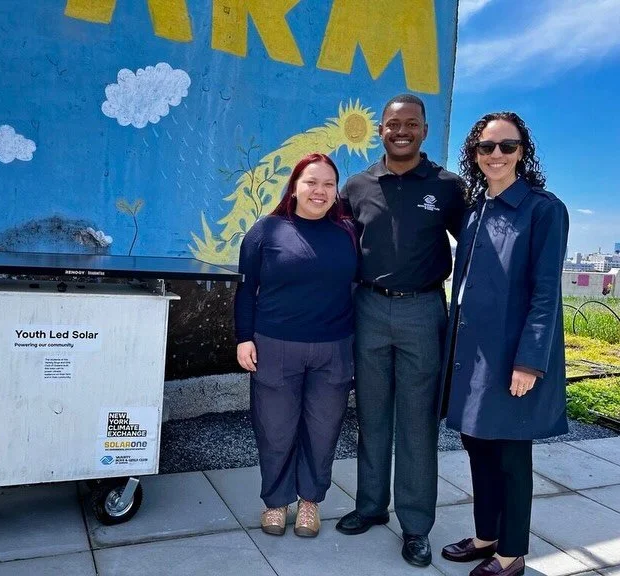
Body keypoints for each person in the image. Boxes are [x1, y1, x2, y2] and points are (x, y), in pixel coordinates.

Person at [335, 94, 466, 567]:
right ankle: (371, 506)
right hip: (368, 307)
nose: (402, 131)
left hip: (423, 311)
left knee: (416, 423)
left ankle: (415, 526)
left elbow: (478, 245)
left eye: (412, 124)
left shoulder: (448, 187)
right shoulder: (357, 186)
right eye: (394, 124)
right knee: (371, 416)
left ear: (424, 131)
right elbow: (334, 242)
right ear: (381, 130)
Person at [440, 112, 569, 576]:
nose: (496, 154)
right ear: (474, 154)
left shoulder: (543, 209)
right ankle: (486, 535)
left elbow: (546, 292)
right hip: (471, 354)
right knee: (477, 445)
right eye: (486, 147)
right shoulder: (476, 210)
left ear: (521, 152)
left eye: (506, 146)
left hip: (513, 356)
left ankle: (512, 552)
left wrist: (529, 361)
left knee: (511, 454)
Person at [234, 153, 358, 538]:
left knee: (323, 431)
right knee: (275, 429)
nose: (319, 191)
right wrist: (243, 338)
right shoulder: (266, 231)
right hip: (275, 346)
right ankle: (276, 502)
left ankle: (309, 502)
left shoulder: (348, 234)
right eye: (311, 182)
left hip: (333, 349)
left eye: (328, 184)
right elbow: (245, 290)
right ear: (294, 187)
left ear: (336, 192)